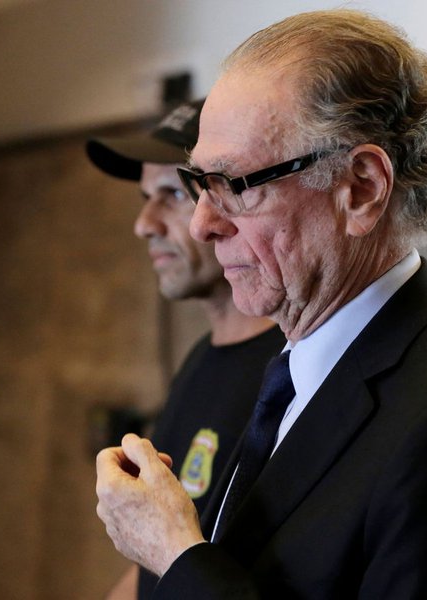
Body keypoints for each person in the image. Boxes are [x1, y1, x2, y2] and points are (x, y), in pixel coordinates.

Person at [95, 10, 427, 599]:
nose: (202, 224)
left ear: (361, 188)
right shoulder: (305, 369)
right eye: (201, 184)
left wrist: (175, 554)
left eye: (235, 185)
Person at [86, 100, 285, 599]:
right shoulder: (201, 359)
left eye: (173, 194)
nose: (144, 224)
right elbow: (155, 568)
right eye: (146, 197)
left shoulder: (292, 373)